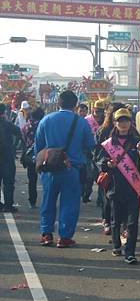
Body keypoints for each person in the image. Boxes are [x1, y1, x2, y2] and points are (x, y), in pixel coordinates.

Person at [35, 90, 96, 247]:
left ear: (58, 103)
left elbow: (38, 147)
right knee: (70, 203)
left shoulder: (46, 120)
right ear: (75, 105)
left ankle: (46, 234)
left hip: (49, 168)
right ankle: (65, 237)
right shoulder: (81, 122)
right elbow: (90, 144)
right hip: (72, 169)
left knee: (48, 201)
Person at [97, 108, 140, 264]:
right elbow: (99, 161)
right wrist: (107, 164)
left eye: (126, 120)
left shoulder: (137, 142)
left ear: (130, 122)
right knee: (116, 221)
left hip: (133, 188)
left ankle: (130, 252)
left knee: (132, 222)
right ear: (115, 123)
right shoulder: (109, 143)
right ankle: (117, 245)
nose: (123, 124)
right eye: (120, 121)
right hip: (115, 187)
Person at [95, 102, 126, 234]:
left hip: (125, 171)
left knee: (126, 199)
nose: (121, 121)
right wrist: (106, 163)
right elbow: (97, 154)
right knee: (107, 198)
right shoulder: (103, 131)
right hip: (109, 170)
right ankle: (107, 221)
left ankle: (124, 225)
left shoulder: (131, 132)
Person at [82, 100, 106, 202]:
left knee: (102, 175)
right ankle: (86, 193)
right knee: (89, 175)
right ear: (93, 110)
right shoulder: (86, 120)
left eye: (101, 111)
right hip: (88, 151)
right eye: (97, 111)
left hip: (101, 151)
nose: (99, 113)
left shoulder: (106, 121)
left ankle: (100, 199)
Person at [0, 103, 23, 212]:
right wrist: (14, 146)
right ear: (4, 112)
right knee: (8, 182)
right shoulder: (8, 124)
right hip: (7, 156)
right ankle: (8, 205)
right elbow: (19, 133)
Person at [21, 107, 45, 208]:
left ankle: (32, 201)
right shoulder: (43, 125)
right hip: (43, 155)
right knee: (46, 180)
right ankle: (47, 201)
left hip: (30, 155)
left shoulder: (26, 126)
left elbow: (23, 141)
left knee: (32, 180)